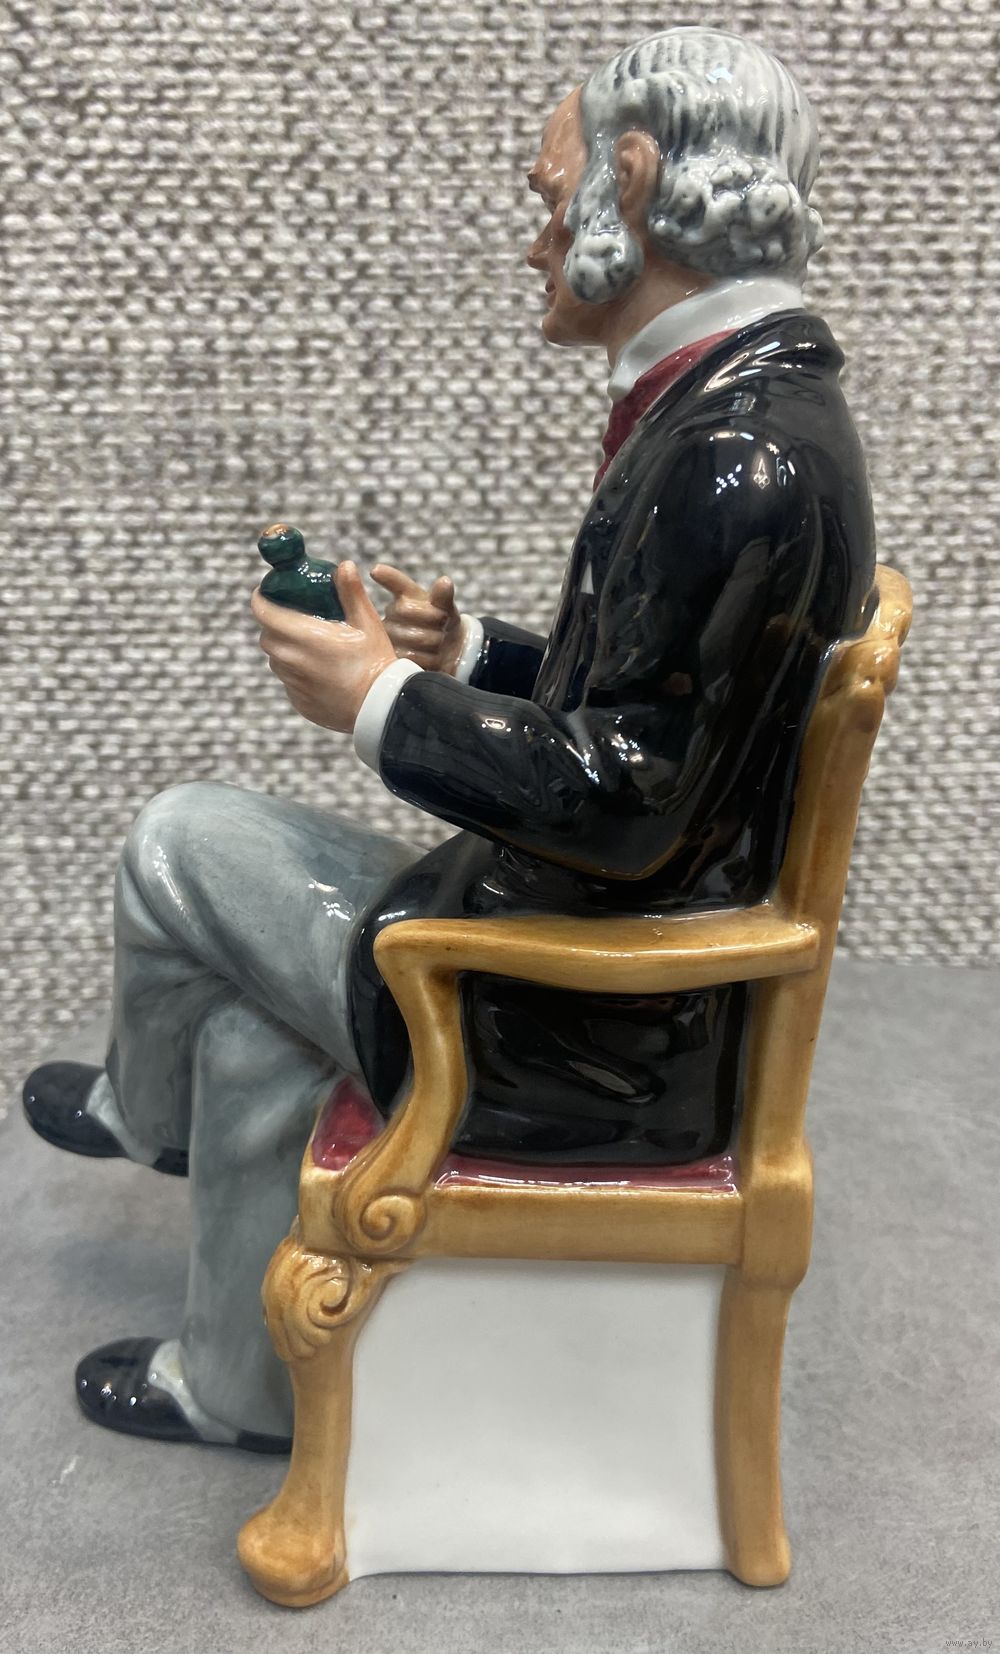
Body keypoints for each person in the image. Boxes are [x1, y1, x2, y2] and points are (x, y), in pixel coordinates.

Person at [22, 25, 875, 1449]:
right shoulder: (749, 410)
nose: (537, 241)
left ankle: (139, 1111)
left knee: (178, 839)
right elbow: (666, 708)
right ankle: (237, 1385)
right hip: (580, 972)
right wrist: (468, 655)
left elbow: (628, 805)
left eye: (550, 199)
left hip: (574, 1022)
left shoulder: (738, 460)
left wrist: (374, 699)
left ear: (636, 180)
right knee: (244, 1032)